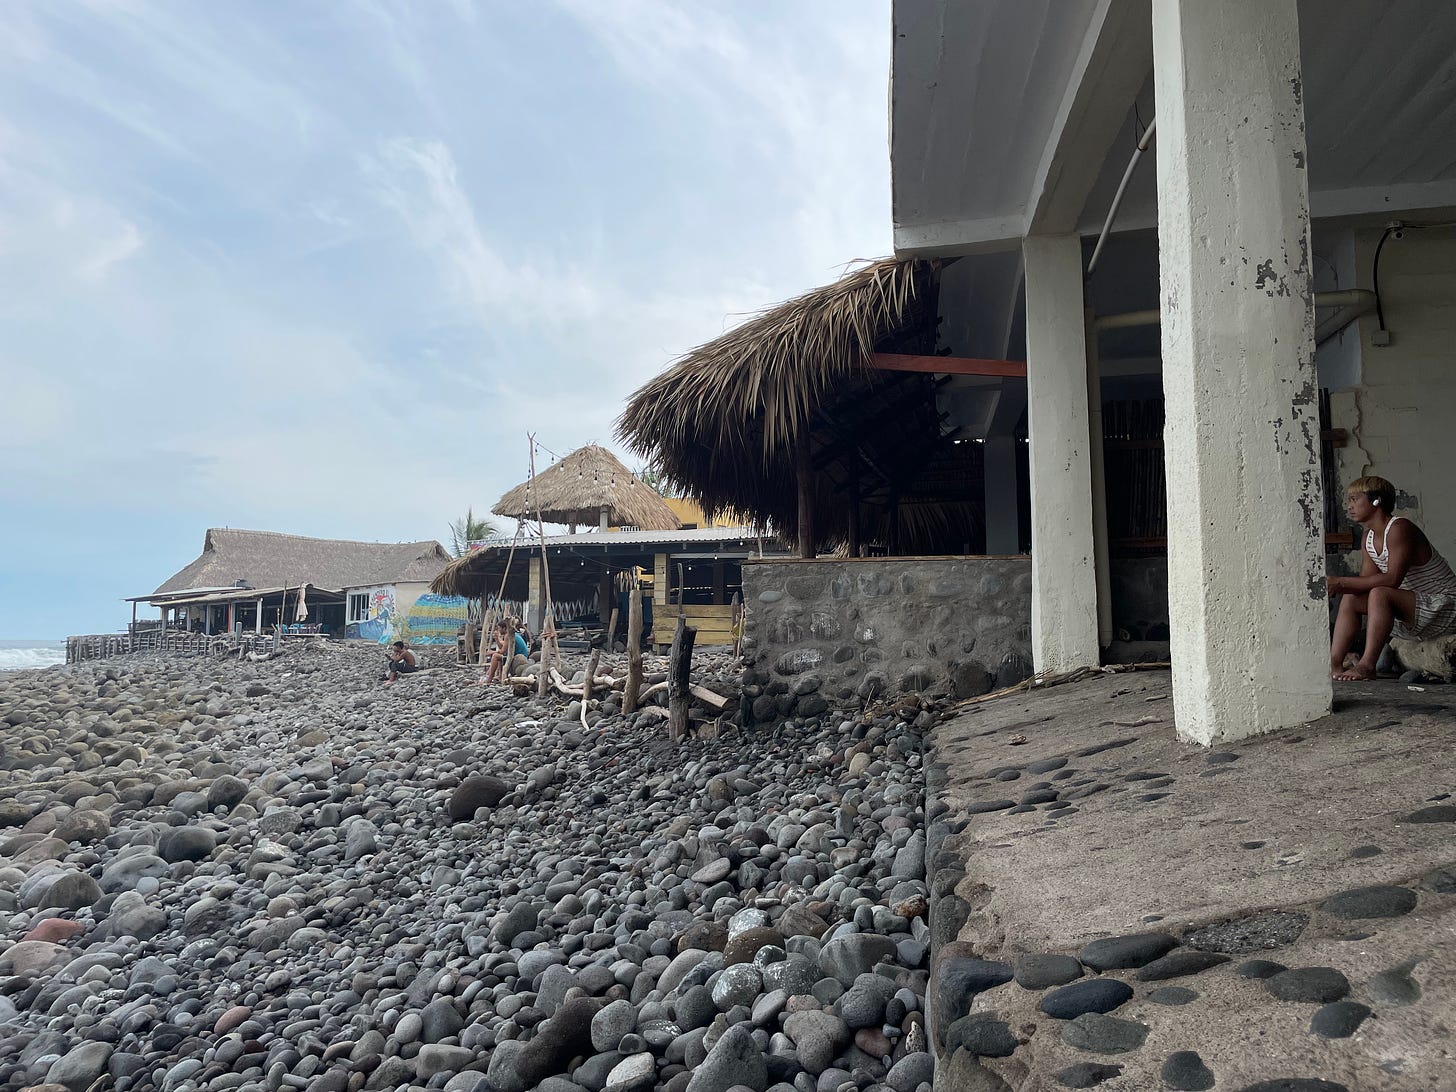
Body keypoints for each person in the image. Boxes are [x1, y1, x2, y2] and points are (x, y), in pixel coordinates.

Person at [1329, 475, 1456, 680]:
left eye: (1355, 499)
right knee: (1352, 598)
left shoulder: (1399, 528)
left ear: (1376, 500)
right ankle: (1334, 665)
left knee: (1380, 593)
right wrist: (1336, 586)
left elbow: (1391, 580)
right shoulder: (1368, 537)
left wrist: (1340, 582)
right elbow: (1364, 585)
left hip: (1445, 607)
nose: (1349, 505)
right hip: (1414, 614)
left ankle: (1367, 665)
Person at [484, 618, 530, 684]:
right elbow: (503, 646)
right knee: (499, 657)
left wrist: (492, 652)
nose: (498, 630)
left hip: (518, 658)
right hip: (519, 655)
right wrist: (497, 639)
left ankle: (489, 678)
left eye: (499, 628)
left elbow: (502, 651)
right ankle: (500, 676)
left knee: (495, 656)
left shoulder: (508, 635)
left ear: (504, 628)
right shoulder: (511, 634)